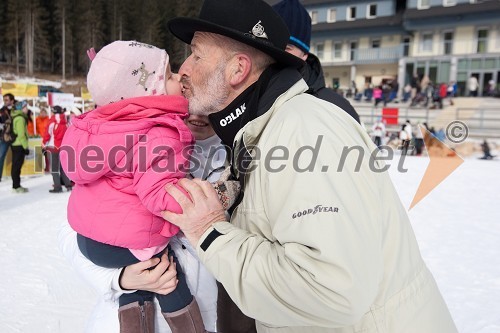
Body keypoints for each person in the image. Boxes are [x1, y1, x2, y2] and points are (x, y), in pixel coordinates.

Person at [163, 0, 458, 332]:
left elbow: (331, 291)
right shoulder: (263, 130)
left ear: (237, 70)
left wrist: (211, 233)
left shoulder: (304, 131)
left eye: (197, 55)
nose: (184, 67)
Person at [60, 41, 217, 333]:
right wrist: (201, 199)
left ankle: (135, 324)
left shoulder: (105, 130)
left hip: (93, 239)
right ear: (150, 92)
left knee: (147, 267)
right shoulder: (161, 133)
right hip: (124, 244)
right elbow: (160, 194)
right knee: (167, 277)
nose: (178, 82)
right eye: (170, 75)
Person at [271, 0, 360, 124]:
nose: (276, 53)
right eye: (270, 45)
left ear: (304, 55)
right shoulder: (247, 95)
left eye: (287, 48)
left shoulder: (338, 108)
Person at [42, 105, 73, 193]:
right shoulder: (66, 121)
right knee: (63, 167)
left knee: (54, 168)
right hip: (64, 147)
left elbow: (47, 134)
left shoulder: (52, 121)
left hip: (53, 147)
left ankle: (57, 186)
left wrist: (43, 144)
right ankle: (68, 185)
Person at [10, 100, 30, 193]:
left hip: (16, 144)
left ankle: (16, 185)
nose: (27, 109)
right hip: (19, 145)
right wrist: (25, 147)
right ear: (21, 108)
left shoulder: (17, 117)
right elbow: (21, 134)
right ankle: (16, 186)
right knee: (17, 166)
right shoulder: (20, 119)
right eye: (25, 107)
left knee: (16, 166)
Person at [0, 93, 16, 181]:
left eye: (6, 100)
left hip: (15, 136)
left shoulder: (17, 109)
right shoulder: (2, 110)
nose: (5, 102)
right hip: (5, 136)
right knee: (1, 156)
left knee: (16, 157)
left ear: (12, 100)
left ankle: (15, 177)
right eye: (4, 100)